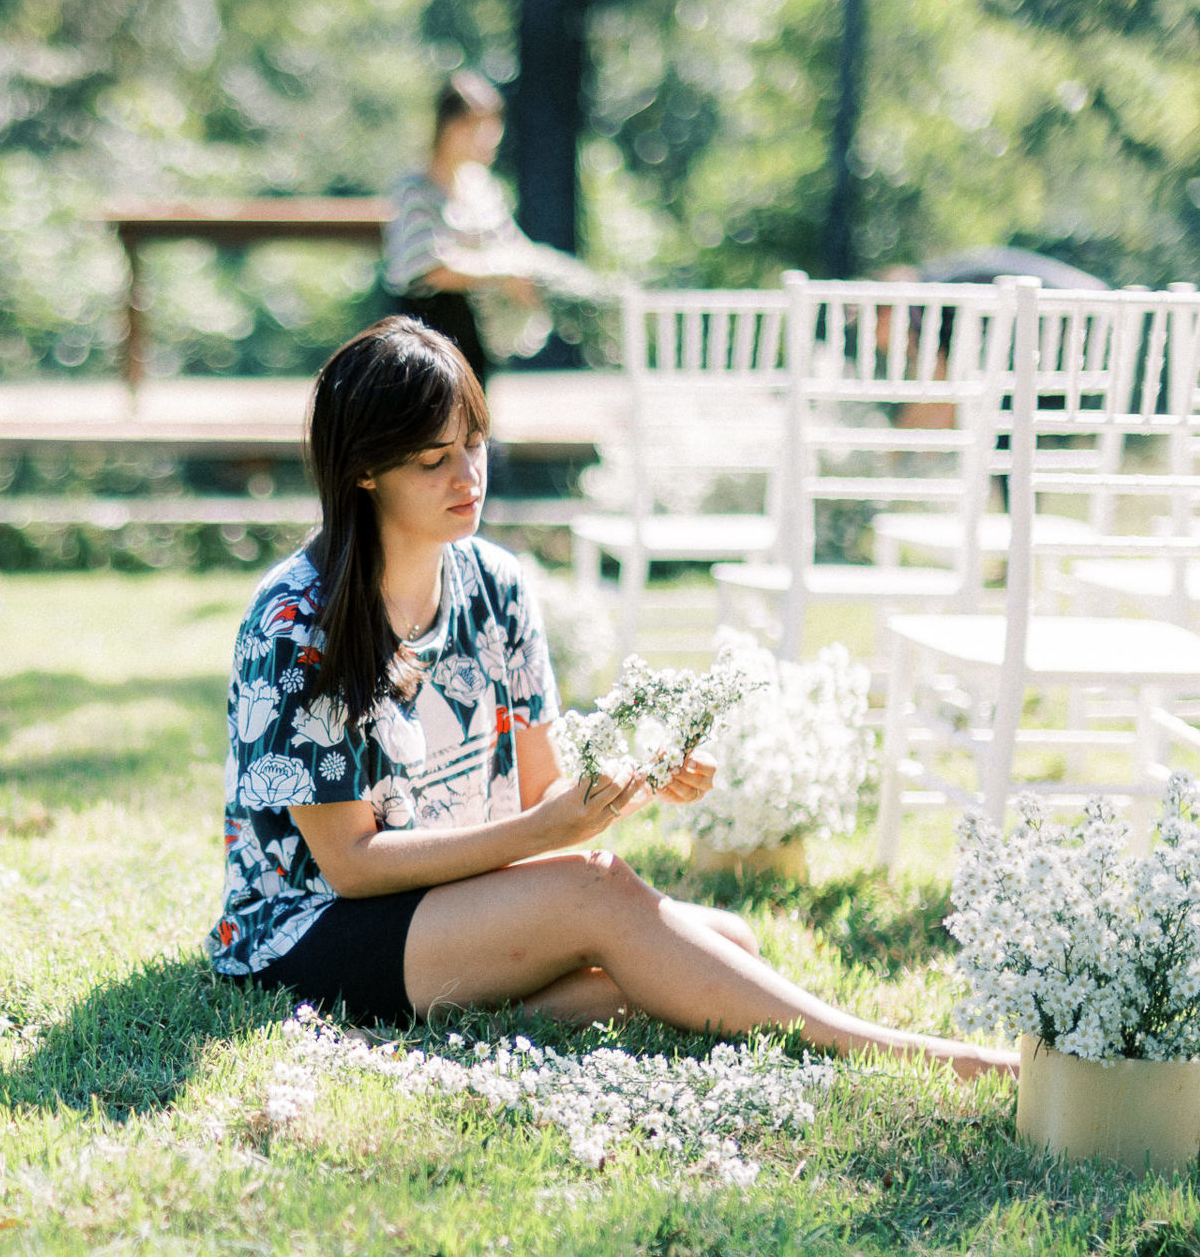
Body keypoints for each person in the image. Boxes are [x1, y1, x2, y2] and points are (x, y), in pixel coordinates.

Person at [208, 316, 1017, 1079]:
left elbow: (541, 794)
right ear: (365, 470)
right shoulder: (294, 622)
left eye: (475, 443)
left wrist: (633, 779)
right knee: (617, 907)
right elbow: (348, 867)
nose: (468, 475)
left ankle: (475, 1014)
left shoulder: (497, 586)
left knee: (711, 945)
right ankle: (898, 1049)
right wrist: (547, 834)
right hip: (307, 933)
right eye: (432, 460)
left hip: (447, 903)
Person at [382, 72, 554, 388]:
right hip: (424, 342)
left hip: (476, 338)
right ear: (450, 127)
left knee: (475, 432)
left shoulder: (482, 187)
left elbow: (514, 248)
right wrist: (503, 273)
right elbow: (430, 268)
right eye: (480, 126)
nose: (492, 137)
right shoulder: (415, 189)